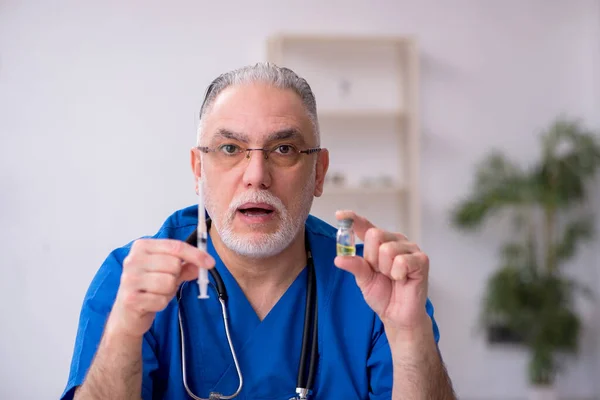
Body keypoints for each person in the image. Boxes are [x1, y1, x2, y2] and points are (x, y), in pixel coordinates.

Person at [61, 62, 456, 400]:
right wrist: (124, 331)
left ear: (318, 172)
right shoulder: (132, 279)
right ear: (198, 170)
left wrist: (409, 334)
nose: (256, 176)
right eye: (230, 148)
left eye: (283, 149)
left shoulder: (369, 284)